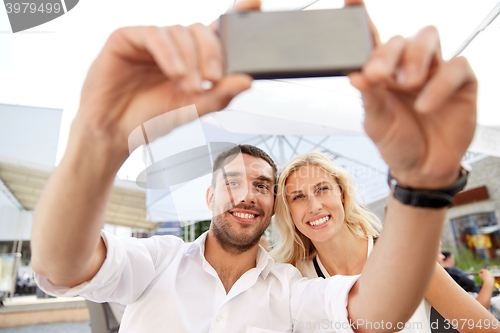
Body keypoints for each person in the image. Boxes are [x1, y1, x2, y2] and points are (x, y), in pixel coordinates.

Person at [30, 0, 479, 331]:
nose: (247, 194)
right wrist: (98, 141)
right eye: (233, 182)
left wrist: (420, 187)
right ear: (210, 196)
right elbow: (62, 267)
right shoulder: (158, 260)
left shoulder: (286, 286)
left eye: (264, 185)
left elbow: (377, 314)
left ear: (271, 206)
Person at [271, 151, 500, 332]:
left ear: (341, 194)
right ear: (288, 210)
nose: (314, 206)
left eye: (322, 189)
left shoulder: (408, 258)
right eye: (298, 197)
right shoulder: (292, 280)